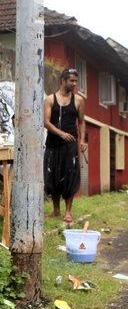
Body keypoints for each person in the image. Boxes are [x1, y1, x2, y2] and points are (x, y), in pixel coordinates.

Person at [43, 68, 87, 223]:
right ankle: (56, 210)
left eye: (76, 81)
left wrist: (82, 141)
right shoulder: (50, 99)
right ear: (63, 80)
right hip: (53, 145)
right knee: (52, 176)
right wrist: (60, 133)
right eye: (72, 81)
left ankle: (68, 212)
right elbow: (46, 122)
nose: (74, 84)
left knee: (70, 176)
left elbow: (81, 122)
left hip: (70, 145)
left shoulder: (79, 100)